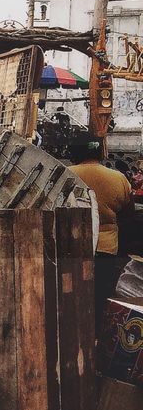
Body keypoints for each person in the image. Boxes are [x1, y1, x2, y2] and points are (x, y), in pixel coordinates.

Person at [68, 137, 134, 324]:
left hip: (73, 244)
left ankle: (73, 328)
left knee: (72, 290)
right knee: (100, 292)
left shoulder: (67, 174)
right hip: (106, 247)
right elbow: (128, 214)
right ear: (99, 154)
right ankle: (96, 331)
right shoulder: (118, 178)